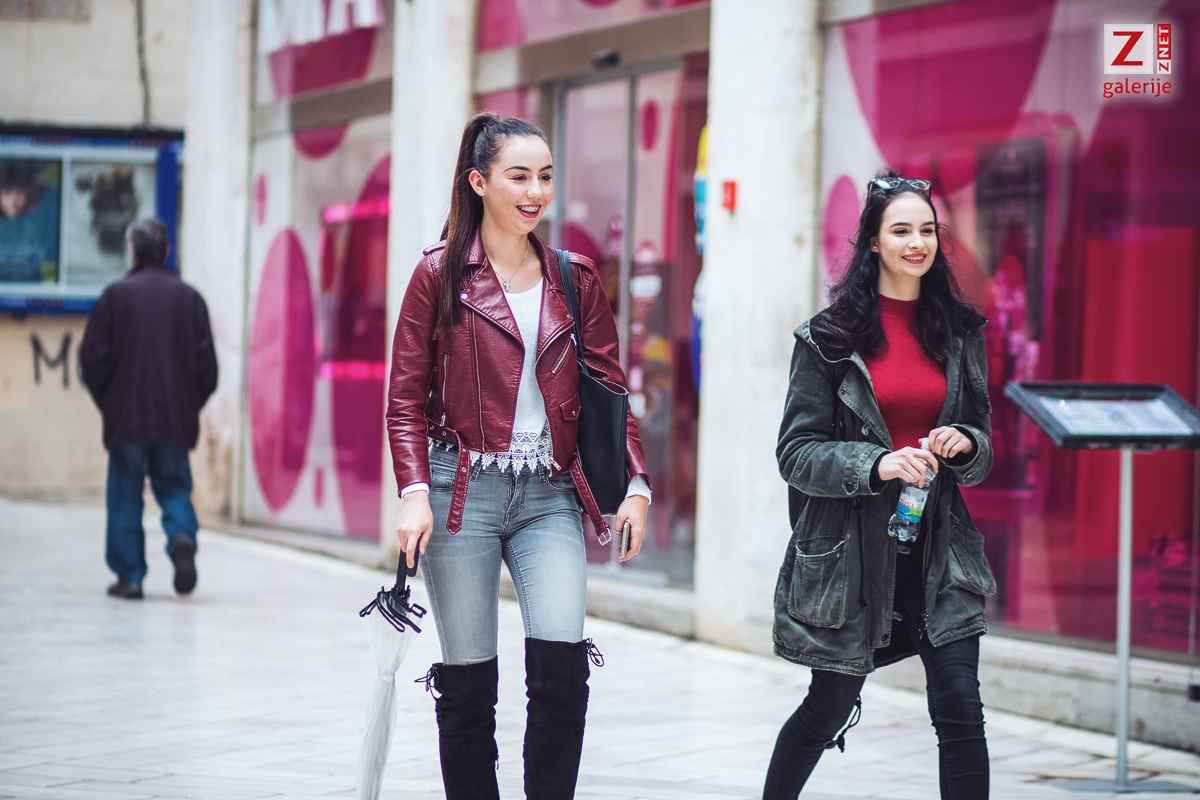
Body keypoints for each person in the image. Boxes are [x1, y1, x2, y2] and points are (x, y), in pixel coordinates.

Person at [386, 113, 651, 800]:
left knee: (563, 671)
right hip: (459, 494)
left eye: (546, 177)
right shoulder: (438, 275)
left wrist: (636, 484)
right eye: (519, 177)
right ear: (479, 182)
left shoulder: (574, 278)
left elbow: (610, 394)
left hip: (550, 497)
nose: (536, 192)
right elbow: (405, 399)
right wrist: (413, 491)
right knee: (468, 685)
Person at [767, 172, 996, 799]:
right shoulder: (828, 339)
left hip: (940, 550)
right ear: (873, 240)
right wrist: (878, 464)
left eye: (927, 230)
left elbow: (981, 439)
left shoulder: (959, 333)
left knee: (960, 710)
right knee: (828, 707)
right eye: (901, 230)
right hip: (853, 554)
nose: (916, 243)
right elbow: (796, 453)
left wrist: (964, 443)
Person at [80, 218, 218, 600]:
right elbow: (207, 370)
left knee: (125, 494)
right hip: (175, 420)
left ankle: (130, 577)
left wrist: (111, 403)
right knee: (174, 486)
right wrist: (188, 406)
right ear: (167, 251)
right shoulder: (190, 300)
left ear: (133, 250)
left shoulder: (114, 298)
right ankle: (181, 537)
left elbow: (92, 361)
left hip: (126, 419)